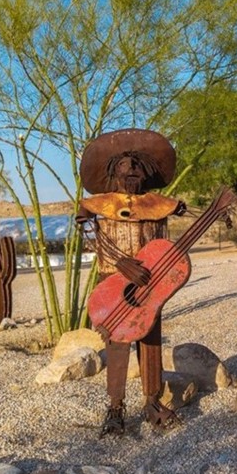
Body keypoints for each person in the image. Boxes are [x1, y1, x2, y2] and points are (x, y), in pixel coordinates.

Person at [75, 128, 186, 437]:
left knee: (150, 338)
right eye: (125, 167)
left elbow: (170, 230)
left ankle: (152, 401)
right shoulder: (98, 204)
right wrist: (121, 262)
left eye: (138, 167)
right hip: (113, 278)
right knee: (118, 341)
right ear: (114, 172)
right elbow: (88, 233)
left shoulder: (157, 205)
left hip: (152, 281)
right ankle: (115, 407)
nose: (132, 172)